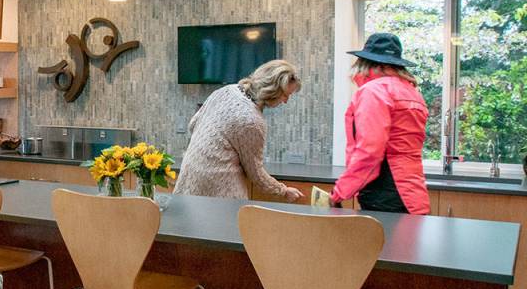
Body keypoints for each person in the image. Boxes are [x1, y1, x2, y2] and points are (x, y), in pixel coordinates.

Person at [174, 59, 304, 202]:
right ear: (272, 89)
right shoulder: (252, 121)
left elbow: (192, 125)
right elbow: (256, 174)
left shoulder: (225, 90)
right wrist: (283, 191)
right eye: (285, 95)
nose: (285, 101)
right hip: (220, 194)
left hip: (189, 177)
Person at [330, 33, 430, 214]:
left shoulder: (374, 91)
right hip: (413, 194)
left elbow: (370, 152)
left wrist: (339, 192)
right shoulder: (412, 92)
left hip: (385, 194)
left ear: (366, 63)